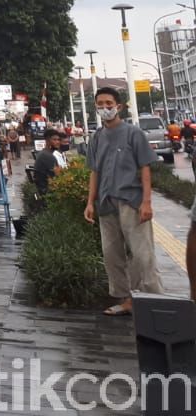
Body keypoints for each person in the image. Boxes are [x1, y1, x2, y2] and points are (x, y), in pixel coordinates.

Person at [84, 86, 163, 315]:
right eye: (100, 104)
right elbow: (94, 172)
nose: (104, 108)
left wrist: (147, 202)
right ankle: (126, 299)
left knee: (142, 254)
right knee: (112, 255)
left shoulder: (133, 133)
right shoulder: (97, 137)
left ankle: (153, 301)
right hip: (106, 203)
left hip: (132, 201)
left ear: (118, 106)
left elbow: (145, 168)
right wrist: (90, 202)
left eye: (109, 103)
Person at [32, 129, 67, 195]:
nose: (57, 142)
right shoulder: (47, 156)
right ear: (47, 140)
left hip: (46, 189)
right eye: (54, 139)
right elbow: (59, 177)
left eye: (59, 140)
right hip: (49, 192)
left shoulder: (45, 153)